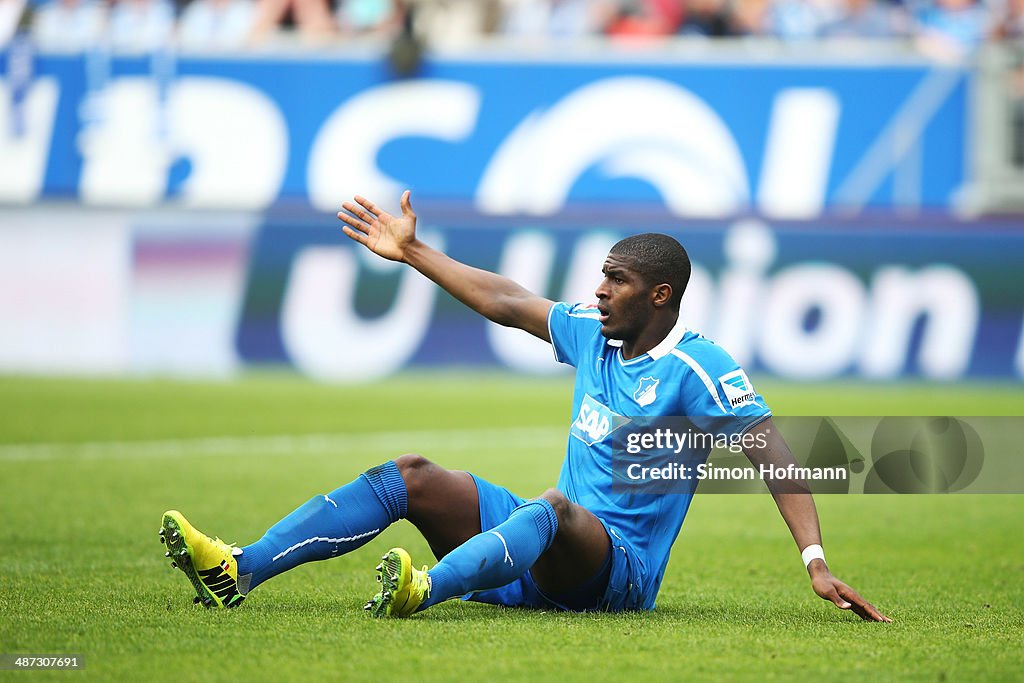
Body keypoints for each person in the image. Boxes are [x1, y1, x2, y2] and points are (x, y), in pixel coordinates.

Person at [160, 190, 891, 622]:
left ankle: (422, 590)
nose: (599, 290)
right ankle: (240, 569)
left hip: (616, 572)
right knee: (411, 474)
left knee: (552, 507)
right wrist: (413, 252)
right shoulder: (593, 335)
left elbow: (774, 455)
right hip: (536, 548)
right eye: (601, 278)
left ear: (659, 294)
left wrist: (815, 559)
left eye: (617, 280)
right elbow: (508, 301)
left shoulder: (700, 367)